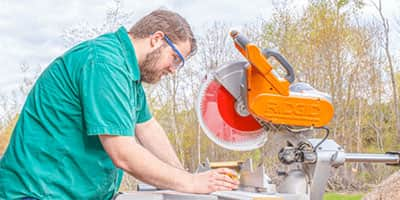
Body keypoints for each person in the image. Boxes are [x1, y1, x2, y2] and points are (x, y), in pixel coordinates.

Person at [0, 9, 239, 199]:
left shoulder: (127, 75)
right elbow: (123, 153)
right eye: (175, 58)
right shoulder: (105, 63)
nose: (173, 70)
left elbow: (147, 128)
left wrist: (183, 175)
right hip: (37, 193)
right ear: (157, 39)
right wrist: (191, 183)